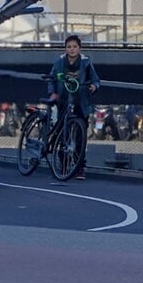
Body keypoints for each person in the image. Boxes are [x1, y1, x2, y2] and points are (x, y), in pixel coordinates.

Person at [46, 34, 101, 180]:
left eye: (75, 47)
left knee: (80, 136)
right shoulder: (59, 62)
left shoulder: (86, 62)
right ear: (65, 48)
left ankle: (79, 168)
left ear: (80, 48)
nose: (72, 50)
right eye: (69, 47)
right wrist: (53, 93)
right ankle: (63, 164)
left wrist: (94, 86)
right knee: (62, 133)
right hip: (63, 101)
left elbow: (95, 80)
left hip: (81, 103)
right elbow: (52, 78)